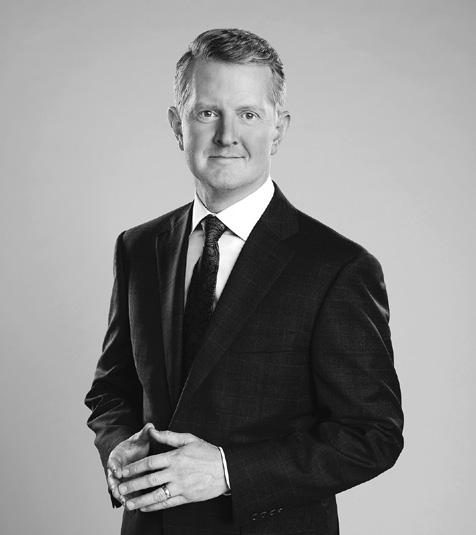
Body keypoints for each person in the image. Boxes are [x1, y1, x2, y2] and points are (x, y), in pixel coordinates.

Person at [85, 28, 404, 535]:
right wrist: (118, 446)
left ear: (279, 129)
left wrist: (228, 471)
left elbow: (373, 436)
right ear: (177, 125)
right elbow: (111, 391)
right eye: (207, 113)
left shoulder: (338, 266)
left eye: (249, 114)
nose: (227, 135)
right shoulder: (139, 248)